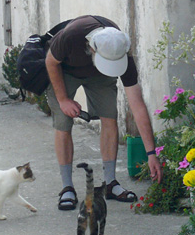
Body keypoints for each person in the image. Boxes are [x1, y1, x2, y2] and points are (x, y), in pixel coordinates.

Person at [45, 15, 162, 210]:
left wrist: (151, 153)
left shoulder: (120, 50)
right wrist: (63, 100)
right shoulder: (71, 36)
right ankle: (67, 187)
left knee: (110, 118)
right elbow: (50, 62)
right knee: (63, 124)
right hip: (64, 71)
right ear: (92, 48)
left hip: (98, 76)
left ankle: (111, 183)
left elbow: (137, 105)